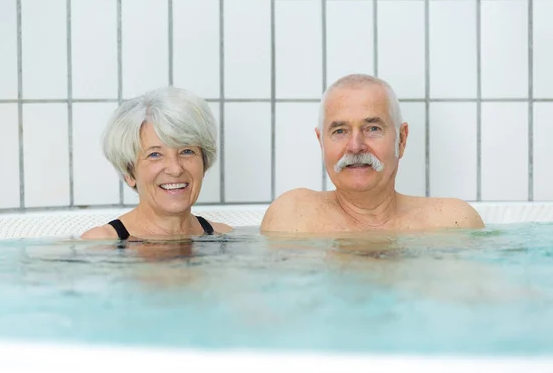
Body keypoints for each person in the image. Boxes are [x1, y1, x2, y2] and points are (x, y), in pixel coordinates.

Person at [260, 74, 485, 233]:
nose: (355, 146)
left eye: (373, 129)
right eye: (340, 131)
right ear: (321, 143)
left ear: (402, 139)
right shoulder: (292, 218)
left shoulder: (454, 222)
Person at [81, 86, 232, 240]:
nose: (175, 169)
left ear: (203, 164)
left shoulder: (223, 235)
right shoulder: (101, 243)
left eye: (186, 151)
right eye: (155, 154)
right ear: (129, 172)